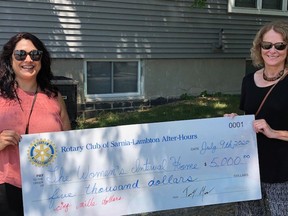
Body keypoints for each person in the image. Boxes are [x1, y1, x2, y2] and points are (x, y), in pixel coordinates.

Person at [0, 32, 71, 215]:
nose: (28, 59)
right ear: (10, 59)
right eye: (21, 54)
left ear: (41, 59)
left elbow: (69, 141)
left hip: (49, 185)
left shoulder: (53, 96)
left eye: (35, 54)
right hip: (7, 186)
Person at [225, 20, 288, 215]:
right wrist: (234, 123)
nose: (272, 50)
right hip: (248, 168)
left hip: (281, 170)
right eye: (267, 45)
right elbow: (248, 119)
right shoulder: (248, 81)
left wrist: (274, 132)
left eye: (280, 45)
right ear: (259, 48)